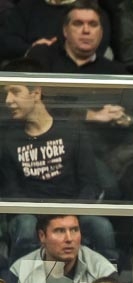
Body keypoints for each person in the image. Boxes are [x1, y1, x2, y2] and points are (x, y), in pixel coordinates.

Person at [0, 59, 117, 263]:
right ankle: (21, 282)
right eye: (5, 94)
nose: (8, 100)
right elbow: (11, 191)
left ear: (36, 93)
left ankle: (107, 282)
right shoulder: (7, 139)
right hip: (31, 216)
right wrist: (45, 217)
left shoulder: (72, 130)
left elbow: (90, 183)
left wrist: (70, 215)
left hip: (73, 213)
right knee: (26, 226)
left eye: (15, 92)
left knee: (101, 227)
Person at [25, 0, 128, 75]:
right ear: (65, 31)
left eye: (93, 24)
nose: (86, 30)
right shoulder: (40, 59)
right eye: (78, 24)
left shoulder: (116, 73)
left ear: (101, 33)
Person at [0, 0, 112, 62]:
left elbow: (98, 47)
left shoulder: (92, 11)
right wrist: (32, 49)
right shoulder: (27, 6)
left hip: (75, 72)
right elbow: (6, 41)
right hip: (31, 68)